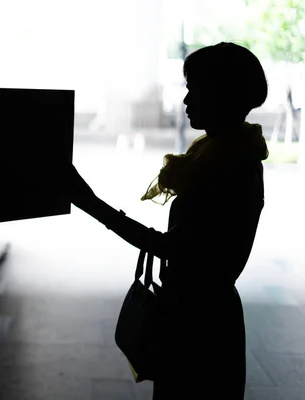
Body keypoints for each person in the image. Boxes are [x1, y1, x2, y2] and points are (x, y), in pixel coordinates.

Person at [68, 42, 269, 399]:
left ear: (222, 93)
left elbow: (173, 247)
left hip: (201, 329)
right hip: (204, 318)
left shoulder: (228, 168)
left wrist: (90, 203)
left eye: (195, 89)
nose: (186, 101)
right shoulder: (222, 155)